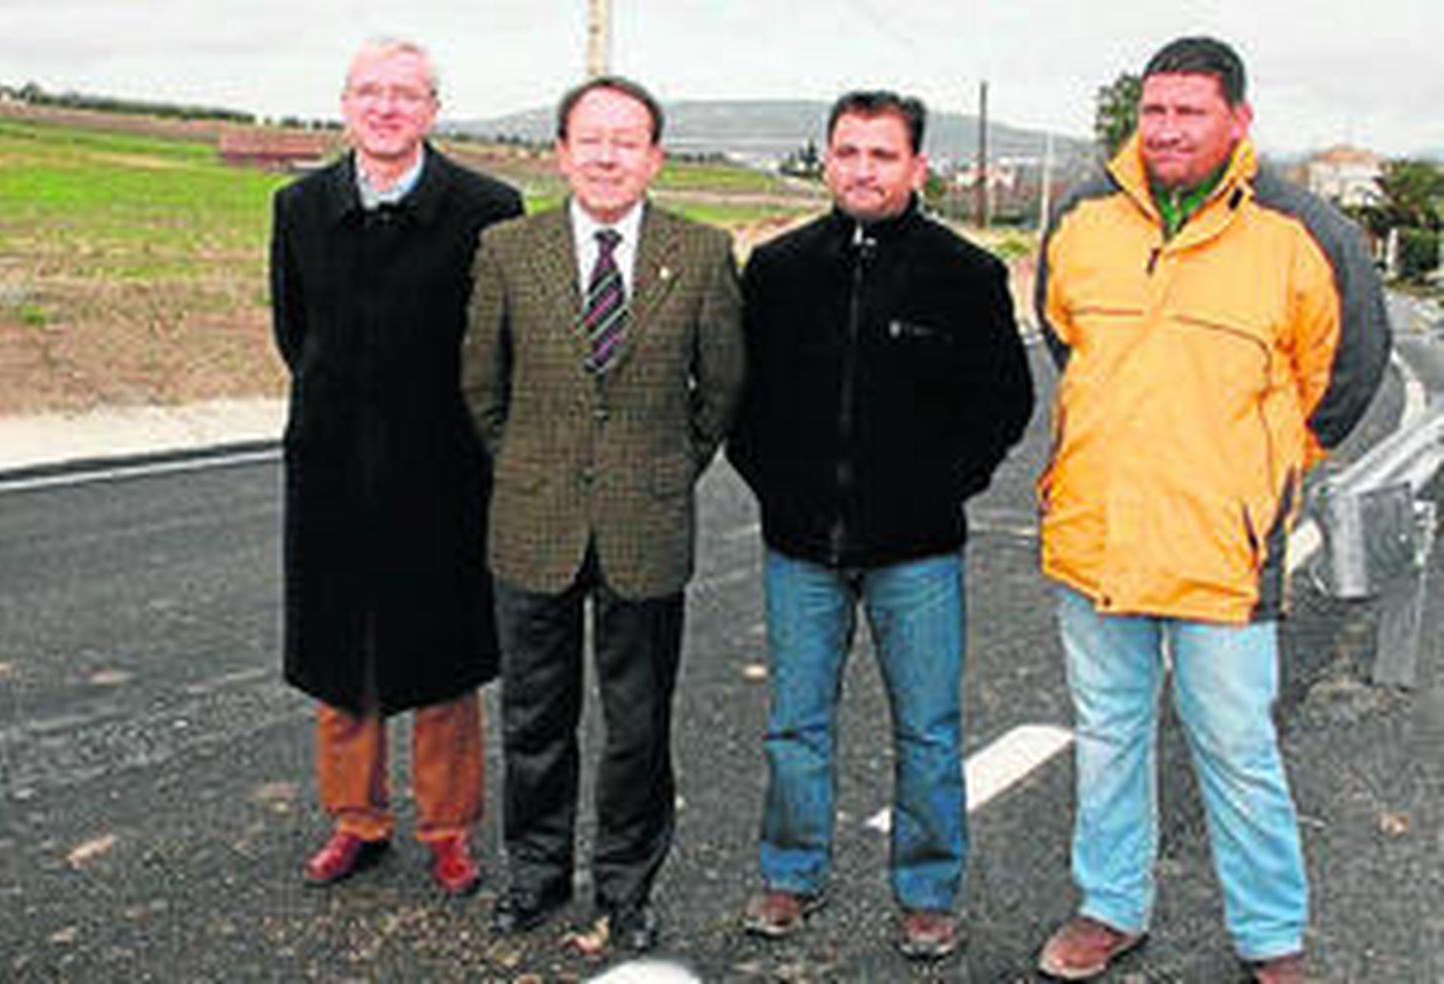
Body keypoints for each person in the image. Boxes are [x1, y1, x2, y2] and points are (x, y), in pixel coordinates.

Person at [1033, 37, 1390, 983]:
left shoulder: (1306, 232)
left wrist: (1252, 474)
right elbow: (1064, 338)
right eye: (1154, 111)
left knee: (1236, 749)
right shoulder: (1082, 217)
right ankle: (1110, 909)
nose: (1167, 129)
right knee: (1109, 737)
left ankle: (1271, 940)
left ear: (1238, 120)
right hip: (1096, 539)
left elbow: (1344, 378)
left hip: (1220, 552)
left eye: (1190, 111)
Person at [727, 90, 1034, 960]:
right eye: (848, 152)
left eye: (882, 155)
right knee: (795, 723)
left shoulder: (966, 276)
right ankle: (790, 875)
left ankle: (927, 893)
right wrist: (780, 490)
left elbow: (1004, 403)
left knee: (929, 729)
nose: (863, 169)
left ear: (915, 167)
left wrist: (941, 490)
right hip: (800, 549)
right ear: (826, 159)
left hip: (919, 554)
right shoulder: (779, 270)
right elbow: (740, 402)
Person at [460, 75, 744, 954]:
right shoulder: (509, 249)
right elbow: (483, 384)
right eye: (592, 138)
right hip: (532, 523)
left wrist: (662, 471)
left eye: (628, 140)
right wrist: (529, 467)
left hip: (645, 528)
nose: (609, 154)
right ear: (561, 152)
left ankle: (627, 889)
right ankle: (536, 879)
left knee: (637, 726)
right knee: (534, 721)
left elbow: (721, 391)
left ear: (655, 156)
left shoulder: (700, 254)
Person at [269, 38, 522, 895]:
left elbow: (497, 343)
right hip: (333, 468)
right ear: (345, 104)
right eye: (370, 92)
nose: (386, 107)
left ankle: (449, 831)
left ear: (432, 110)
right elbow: (294, 333)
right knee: (343, 658)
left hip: (445, 471)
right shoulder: (300, 206)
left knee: (444, 661)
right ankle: (357, 822)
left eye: (405, 94)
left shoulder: (490, 209)